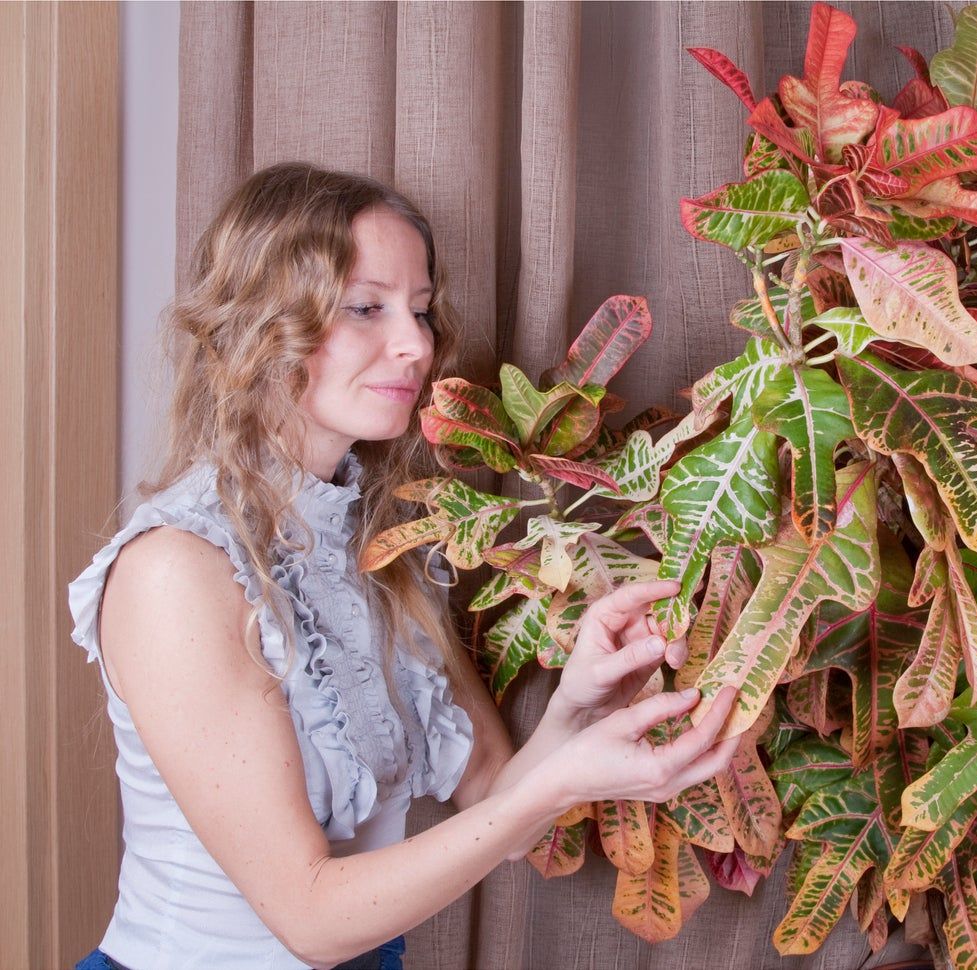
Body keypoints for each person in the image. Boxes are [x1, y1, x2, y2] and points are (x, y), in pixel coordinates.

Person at [70, 162, 741, 970]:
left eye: (420, 311)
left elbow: (497, 803)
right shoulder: (176, 570)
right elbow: (310, 918)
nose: (417, 345)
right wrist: (560, 783)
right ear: (261, 323)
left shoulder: (385, 550)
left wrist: (576, 707)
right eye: (367, 308)